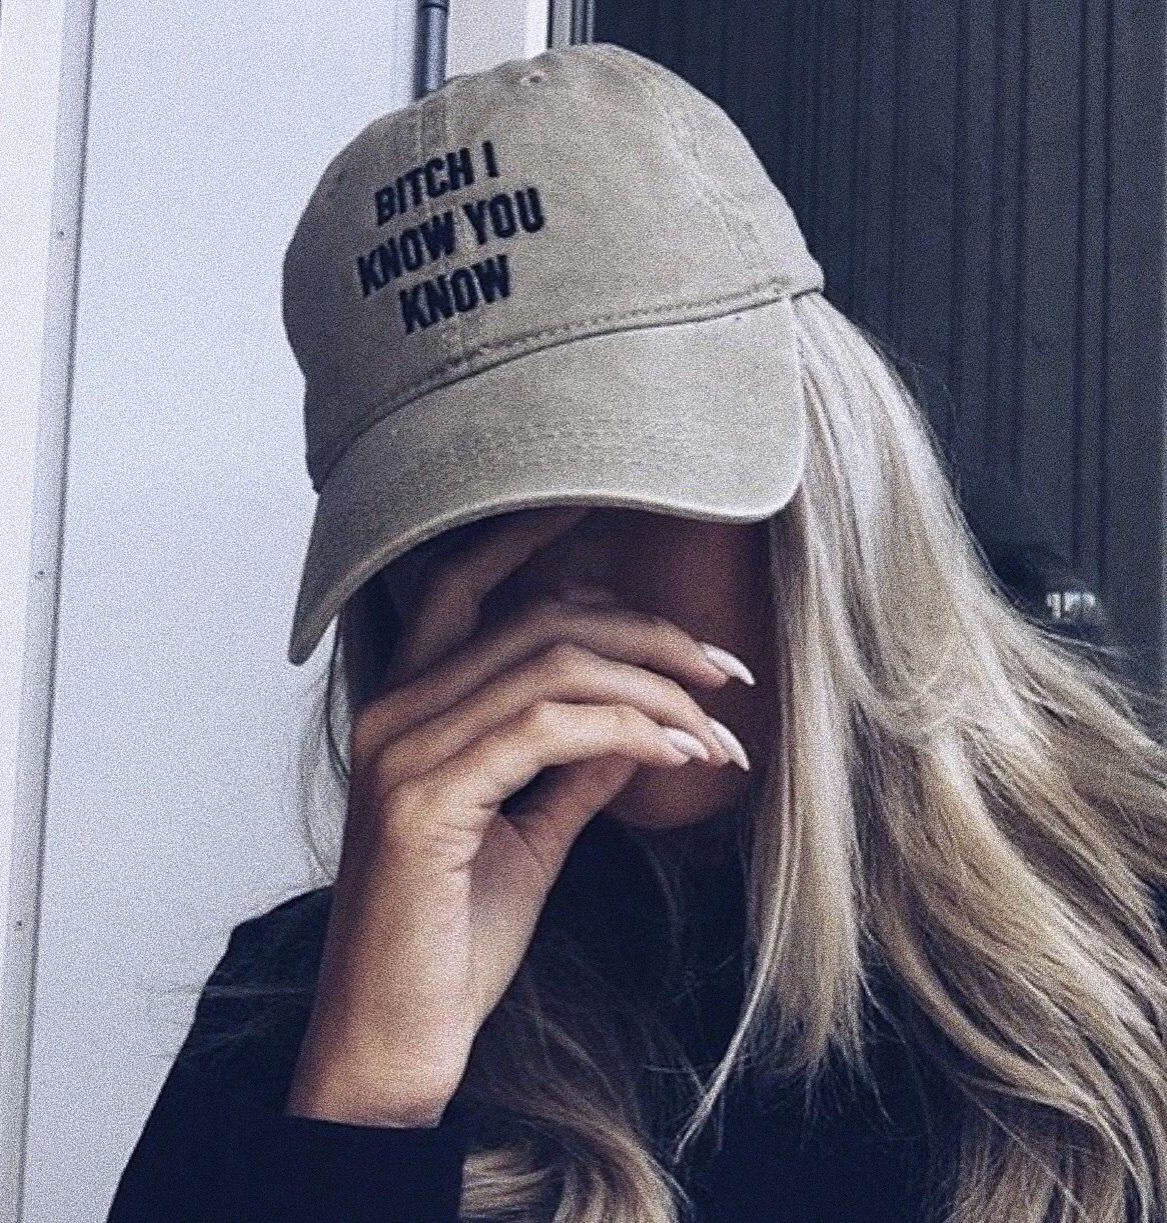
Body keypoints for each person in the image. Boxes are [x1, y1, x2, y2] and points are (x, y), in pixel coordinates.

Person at [107, 41, 1167, 1223]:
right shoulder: (299, 1011)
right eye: (454, 525)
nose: (553, 599)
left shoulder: (1133, 938)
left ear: (826, 476)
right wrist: (366, 1103)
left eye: (620, 485)